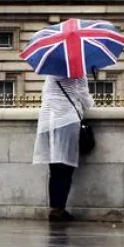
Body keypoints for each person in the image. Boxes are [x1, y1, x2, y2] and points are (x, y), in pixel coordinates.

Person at [34, 74, 94, 222]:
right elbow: (85, 100)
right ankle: (59, 208)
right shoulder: (78, 73)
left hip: (47, 120)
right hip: (66, 119)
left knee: (54, 166)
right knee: (66, 165)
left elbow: (46, 94)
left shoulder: (50, 74)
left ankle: (55, 207)